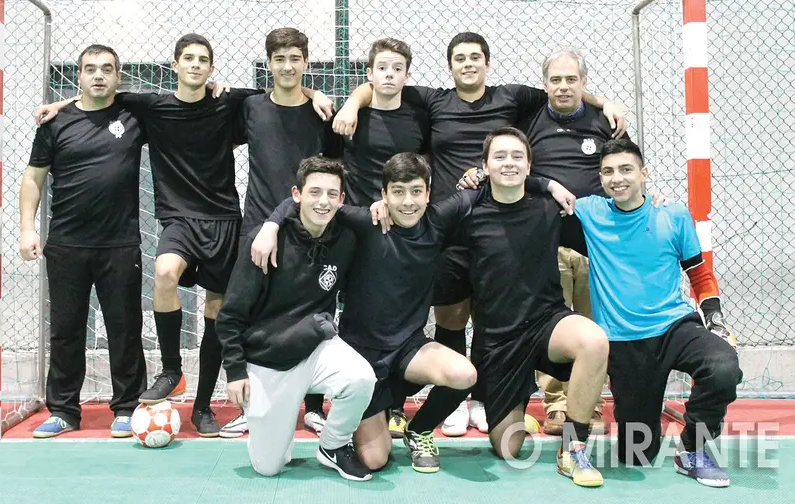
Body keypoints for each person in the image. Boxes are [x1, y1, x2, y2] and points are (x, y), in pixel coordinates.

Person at [33, 33, 333, 437]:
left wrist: (314, 91)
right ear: (174, 65)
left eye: (202, 60)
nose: (195, 65)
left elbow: (282, 86)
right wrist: (59, 104)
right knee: (165, 273)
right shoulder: (151, 107)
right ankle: (172, 369)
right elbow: (100, 97)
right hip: (178, 219)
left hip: (225, 219)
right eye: (187, 59)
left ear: (212, 69)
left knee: (217, 308)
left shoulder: (230, 103)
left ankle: (204, 406)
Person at [333, 32, 626, 436]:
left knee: (498, 313)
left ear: (488, 63)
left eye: (476, 58)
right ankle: (453, 400)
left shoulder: (511, 97)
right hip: (455, 226)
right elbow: (384, 81)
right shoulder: (433, 100)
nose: (468, 64)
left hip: (500, 222)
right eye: (460, 58)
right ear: (449, 65)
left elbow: (562, 93)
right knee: (451, 315)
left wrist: (604, 101)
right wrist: (352, 99)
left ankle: (485, 397)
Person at [251, 152, 574, 473]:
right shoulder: (366, 222)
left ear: (428, 193)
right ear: (384, 195)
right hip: (362, 358)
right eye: (398, 192)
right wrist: (270, 225)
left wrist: (546, 184)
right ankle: (352, 425)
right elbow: (307, 203)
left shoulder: (439, 219)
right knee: (376, 459)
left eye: (416, 191)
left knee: (464, 374)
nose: (408, 202)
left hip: (409, 349)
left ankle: (418, 431)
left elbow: (499, 182)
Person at [572, 139, 742, 487]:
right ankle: (648, 413)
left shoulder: (673, 214)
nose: (617, 178)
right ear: (600, 177)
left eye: (626, 169)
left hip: (674, 326)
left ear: (643, 174)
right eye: (608, 172)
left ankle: (693, 449)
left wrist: (715, 318)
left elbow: (700, 273)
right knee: (637, 455)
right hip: (622, 341)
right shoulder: (589, 212)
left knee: (723, 366)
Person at [453, 127, 609, 487]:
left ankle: (573, 446)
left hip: (546, 323)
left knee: (594, 341)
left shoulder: (550, 208)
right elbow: (420, 222)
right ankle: (519, 407)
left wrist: (650, 205)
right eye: (500, 156)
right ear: (485, 166)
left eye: (517, 156)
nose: (509, 163)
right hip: (499, 340)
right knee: (507, 449)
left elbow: (608, 220)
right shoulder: (468, 212)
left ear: (529, 165)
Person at [216, 157, 376, 481]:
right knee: (268, 468)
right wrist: (235, 371)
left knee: (361, 378)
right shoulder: (263, 243)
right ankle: (276, 420)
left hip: (316, 349)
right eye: (314, 192)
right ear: (296, 194)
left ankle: (332, 446)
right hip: (268, 359)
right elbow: (230, 315)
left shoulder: (346, 241)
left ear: (342, 200)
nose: (323, 201)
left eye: (332, 194)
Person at [19, 45, 147, 439]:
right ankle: (63, 411)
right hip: (67, 244)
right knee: (66, 329)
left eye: (106, 69)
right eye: (90, 69)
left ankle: (127, 408)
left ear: (117, 75)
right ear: (78, 76)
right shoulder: (55, 124)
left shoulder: (133, 115)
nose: (98, 75)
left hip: (119, 244)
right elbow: (33, 178)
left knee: (125, 328)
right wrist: (26, 228)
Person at [226, 27, 343, 438]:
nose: (288, 66)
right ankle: (253, 402)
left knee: (313, 311)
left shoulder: (321, 113)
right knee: (255, 311)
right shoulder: (251, 107)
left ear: (306, 63)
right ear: (269, 64)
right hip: (260, 225)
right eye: (280, 59)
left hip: (310, 228)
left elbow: (333, 168)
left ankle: (313, 406)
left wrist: (314, 96)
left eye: (296, 58)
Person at [521, 47, 622, 435]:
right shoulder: (529, 119)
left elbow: (623, 169)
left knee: (593, 327)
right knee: (551, 327)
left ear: (584, 82)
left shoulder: (605, 122)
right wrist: (546, 184)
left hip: (598, 247)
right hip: (547, 245)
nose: (563, 87)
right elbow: (514, 170)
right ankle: (556, 405)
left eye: (571, 79)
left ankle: (589, 405)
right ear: (545, 84)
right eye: (556, 80)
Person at [338, 37, 430, 437]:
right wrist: (352, 102)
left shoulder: (417, 117)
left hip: (404, 227)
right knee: (349, 306)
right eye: (382, 68)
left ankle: (394, 403)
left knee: (399, 310)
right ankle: (325, 401)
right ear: (370, 73)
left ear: (406, 75)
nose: (389, 75)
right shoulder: (351, 117)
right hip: (361, 225)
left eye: (397, 68)